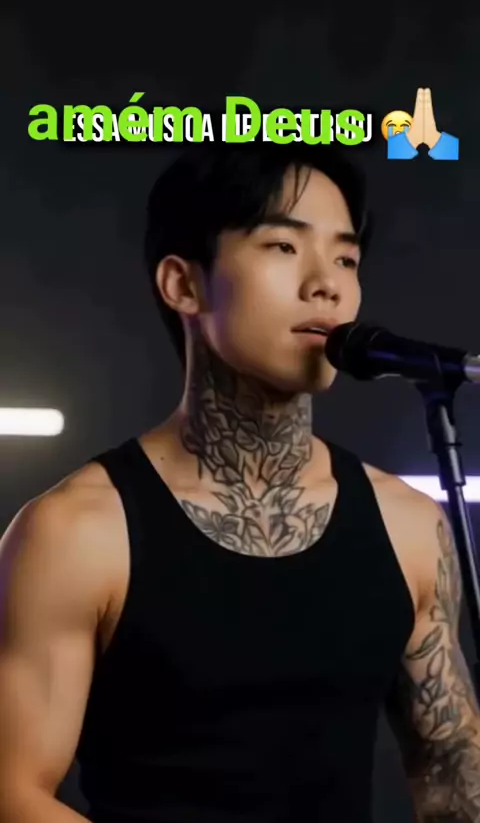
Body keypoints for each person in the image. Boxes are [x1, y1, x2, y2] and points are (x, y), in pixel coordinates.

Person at [0, 141, 478, 823]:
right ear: (183, 284)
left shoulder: (408, 524)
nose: (327, 284)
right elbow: (12, 792)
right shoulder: (76, 531)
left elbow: (451, 769)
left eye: (346, 259)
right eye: (284, 247)